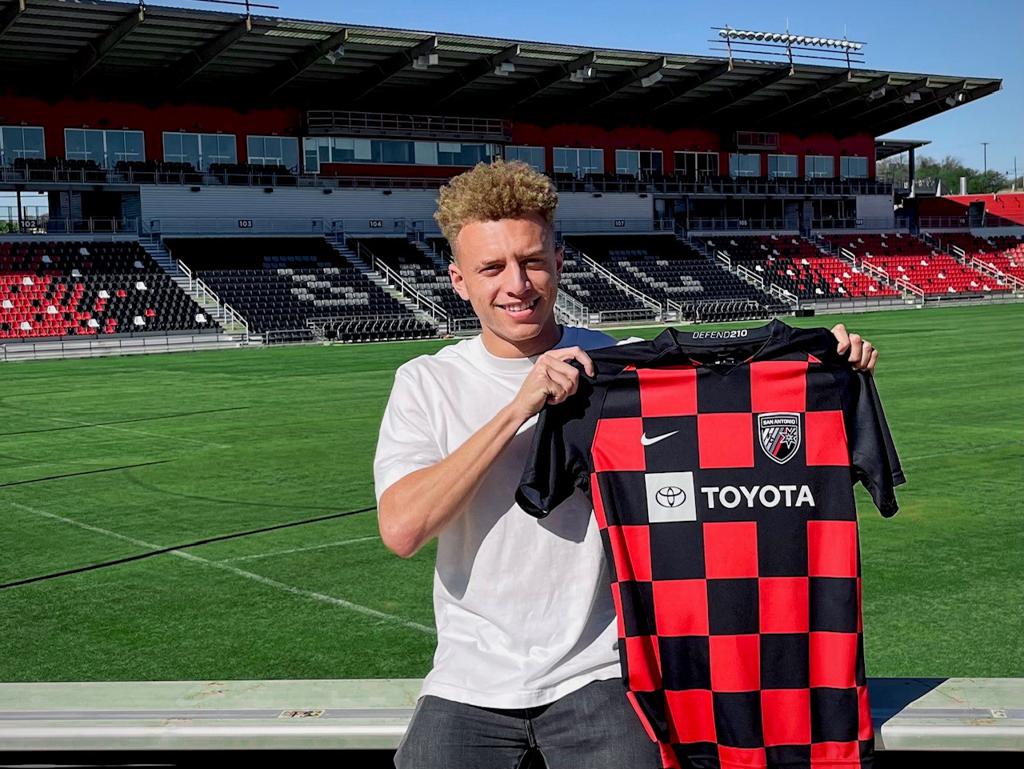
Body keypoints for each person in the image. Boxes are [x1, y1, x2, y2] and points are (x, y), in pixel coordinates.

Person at [373, 160, 878, 769]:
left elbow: (733, 392)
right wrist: (519, 408)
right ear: (459, 280)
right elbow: (402, 529)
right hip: (469, 677)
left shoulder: (620, 369)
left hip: (604, 671)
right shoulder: (426, 382)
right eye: (492, 268)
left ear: (560, 262)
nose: (518, 284)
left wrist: (825, 361)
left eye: (532, 261)